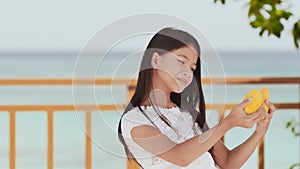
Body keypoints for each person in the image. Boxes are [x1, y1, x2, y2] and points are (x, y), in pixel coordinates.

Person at [117, 27, 276, 169]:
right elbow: (180, 157)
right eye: (181, 61)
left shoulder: (189, 114)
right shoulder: (134, 120)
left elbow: (228, 162)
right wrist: (229, 122)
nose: (187, 72)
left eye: (192, 68)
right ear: (156, 60)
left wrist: (259, 131)